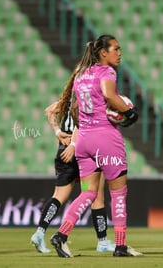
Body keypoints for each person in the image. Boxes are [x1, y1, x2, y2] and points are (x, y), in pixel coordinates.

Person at [49, 34, 140, 258]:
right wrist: (129, 112)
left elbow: (74, 109)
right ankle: (120, 246)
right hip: (106, 139)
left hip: (84, 142)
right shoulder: (107, 72)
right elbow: (110, 96)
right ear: (103, 52)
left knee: (88, 193)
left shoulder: (80, 75)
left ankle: (61, 235)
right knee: (118, 193)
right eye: (116, 49)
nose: (119, 53)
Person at [30, 90, 115, 254]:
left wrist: (57, 132)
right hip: (83, 149)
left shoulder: (67, 100)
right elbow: (80, 123)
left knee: (59, 196)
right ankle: (103, 242)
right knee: (96, 195)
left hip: (63, 148)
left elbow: (48, 111)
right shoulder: (88, 98)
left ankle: (40, 232)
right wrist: (74, 145)